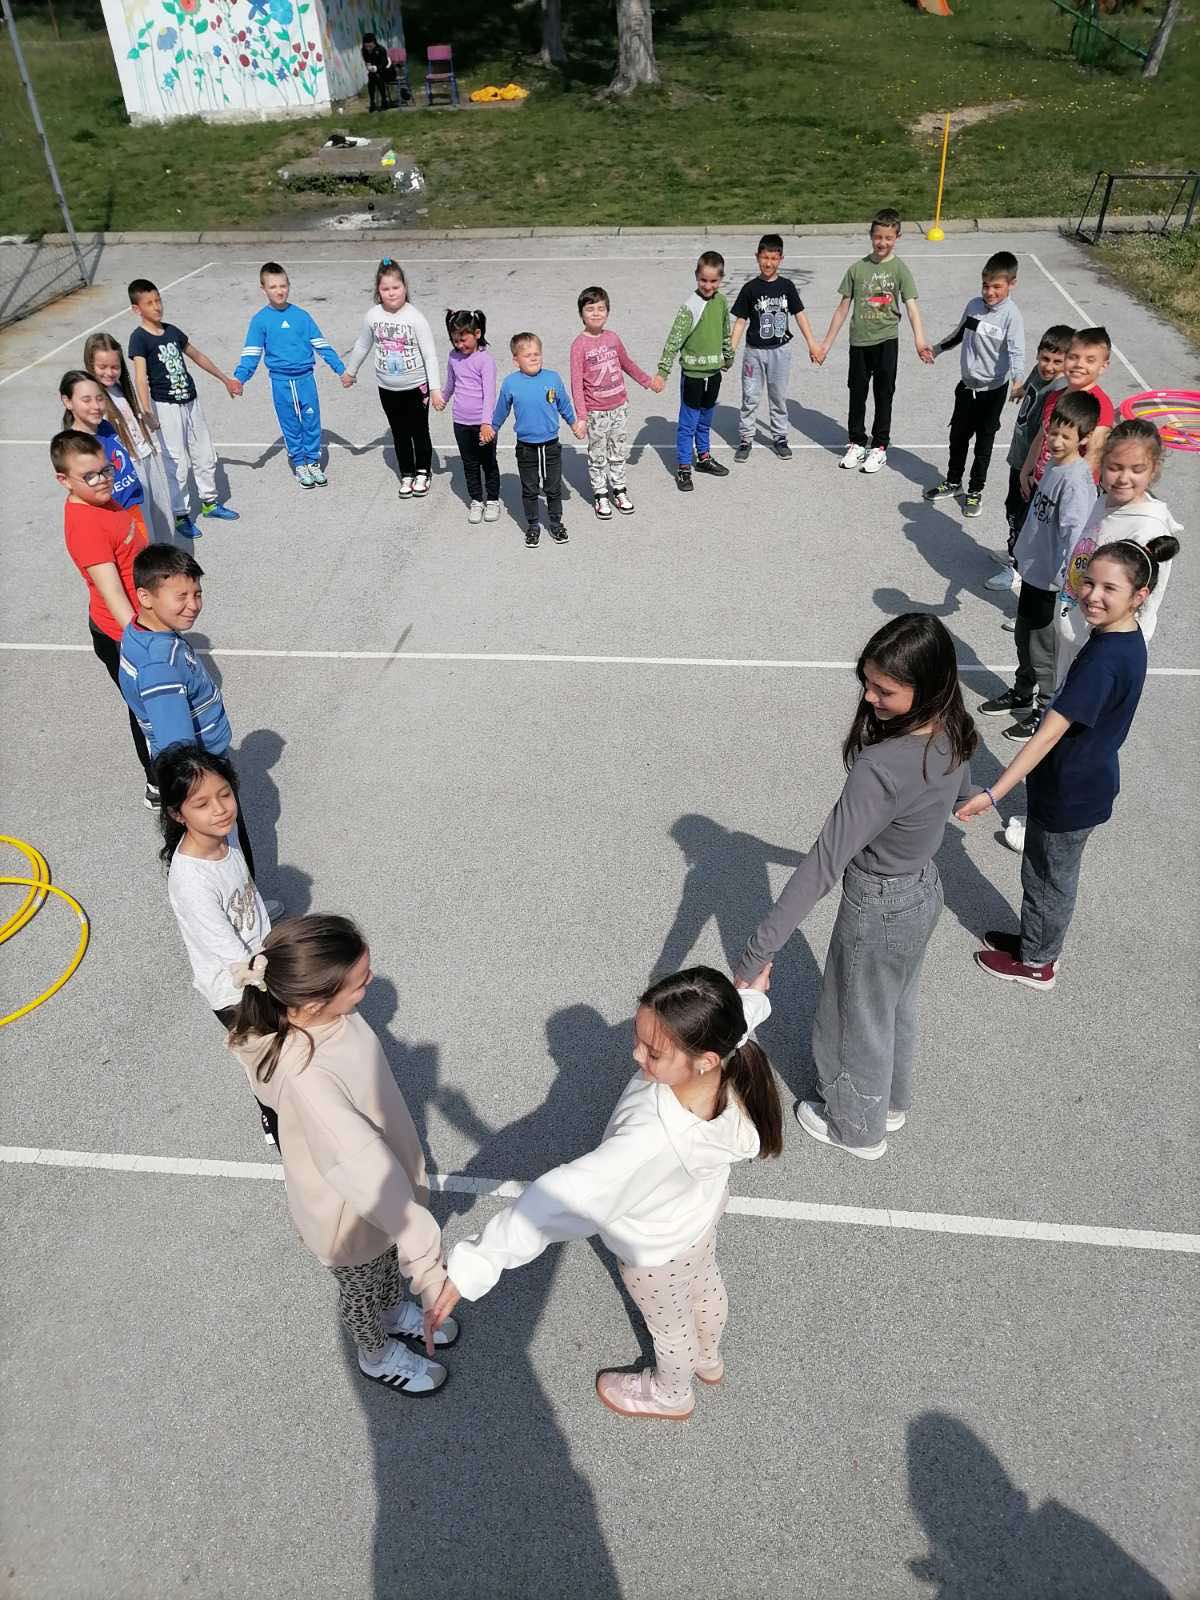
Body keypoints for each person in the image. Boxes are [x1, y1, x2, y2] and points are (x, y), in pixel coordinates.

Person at [427, 966, 780, 1421]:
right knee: (704, 1286)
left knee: (670, 1328)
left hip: (653, 1251)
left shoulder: (651, 1140)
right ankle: (709, 1359)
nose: (636, 1054)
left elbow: (560, 1197)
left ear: (704, 1060)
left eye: (653, 1052)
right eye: (638, 1038)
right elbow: (741, 1016)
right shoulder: (727, 1048)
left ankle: (672, 1394)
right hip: (699, 1220)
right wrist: (754, 995)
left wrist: (473, 1266)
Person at [734, 613, 978, 1160]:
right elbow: (963, 785)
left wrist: (757, 953)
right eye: (867, 682)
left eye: (884, 689)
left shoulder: (880, 766)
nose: (869, 697)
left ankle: (855, 1128)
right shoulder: (952, 724)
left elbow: (824, 862)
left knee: (851, 1018)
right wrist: (967, 796)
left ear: (926, 686)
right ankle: (889, 1102)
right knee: (894, 1004)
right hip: (923, 890)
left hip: (878, 906)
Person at [227, 915, 457, 1395]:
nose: (369, 985)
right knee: (361, 1292)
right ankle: (375, 1353)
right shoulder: (310, 1078)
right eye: (360, 982)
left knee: (384, 1270)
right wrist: (430, 1273)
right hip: (347, 1214)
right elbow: (367, 1173)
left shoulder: (328, 1019)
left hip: (373, 1196)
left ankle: (393, 1313)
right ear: (314, 1002)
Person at [956, 541, 1153, 991]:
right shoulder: (1122, 639)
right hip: (1082, 781)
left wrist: (993, 793)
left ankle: (1037, 963)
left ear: (1139, 596)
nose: (1092, 595)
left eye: (1110, 588)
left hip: (1070, 790)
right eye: (1089, 582)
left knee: (1047, 878)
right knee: (1045, 872)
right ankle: (1034, 941)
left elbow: (1046, 734)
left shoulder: (1103, 661)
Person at [1002, 419, 1182, 854]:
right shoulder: (1106, 502)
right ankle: (1043, 808)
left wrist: (1105, 654)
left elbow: (1145, 606)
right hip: (1078, 635)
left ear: (1154, 469)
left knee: (1071, 742)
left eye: (1136, 469)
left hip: (1097, 654)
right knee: (1057, 734)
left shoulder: (1148, 526)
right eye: (1115, 466)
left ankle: (1052, 823)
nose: (1123, 477)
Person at [155, 741, 279, 1146]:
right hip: (237, 989)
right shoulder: (191, 882)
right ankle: (275, 1122)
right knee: (270, 1066)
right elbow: (233, 955)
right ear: (178, 814)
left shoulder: (226, 836)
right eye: (202, 804)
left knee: (283, 1056)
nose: (221, 809)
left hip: (261, 962)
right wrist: (290, 977)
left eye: (225, 794)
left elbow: (247, 895)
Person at [118, 543, 259, 874]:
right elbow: (178, 749)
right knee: (229, 853)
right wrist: (208, 798)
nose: (193, 605)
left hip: (201, 770)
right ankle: (246, 900)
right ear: (145, 596)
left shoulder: (142, 632)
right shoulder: (160, 667)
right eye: (180, 596)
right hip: (202, 773)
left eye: (197, 594)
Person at [977, 391, 1100, 744]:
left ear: (1084, 439)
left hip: (1051, 582)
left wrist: (1069, 586)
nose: (1056, 441)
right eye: (1053, 433)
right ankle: (1021, 693)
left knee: (1043, 650)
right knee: (1023, 638)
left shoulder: (1076, 482)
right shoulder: (1056, 468)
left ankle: (1045, 709)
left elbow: (1076, 538)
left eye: (1065, 436)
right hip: (1034, 572)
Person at [52, 427, 154, 804]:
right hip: (124, 635)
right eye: (90, 476)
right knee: (146, 712)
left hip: (145, 624)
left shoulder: (102, 501)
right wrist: (146, 645)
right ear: (64, 480)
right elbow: (113, 594)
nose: (102, 480)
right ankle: (157, 784)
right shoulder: (85, 526)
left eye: (105, 470)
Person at [816, 208, 934, 475]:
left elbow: (912, 307)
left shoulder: (900, 269)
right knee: (857, 393)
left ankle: (879, 446)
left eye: (888, 238)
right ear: (871, 236)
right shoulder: (857, 269)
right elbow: (842, 309)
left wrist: (920, 341)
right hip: (859, 342)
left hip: (886, 341)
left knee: (884, 394)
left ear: (897, 237)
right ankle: (857, 442)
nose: (882, 242)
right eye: (878, 237)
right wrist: (825, 345)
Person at [127, 277, 240, 539]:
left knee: (205, 453)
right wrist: (146, 411)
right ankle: (180, 515)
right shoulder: (139, 338)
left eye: (158, 300)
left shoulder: (172, 331)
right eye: (149, 303)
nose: (157, 307)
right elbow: (140, 377)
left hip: (191, 401)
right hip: (165, 406)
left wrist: (225, 379)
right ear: (136, 309)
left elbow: (197, 356)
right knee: (176, 462)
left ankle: (210, 502)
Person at [923, 250, 1025, 518]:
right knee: (958, 437)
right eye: (985, 286)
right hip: (967, 388)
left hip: (993, 392)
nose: (990, 292)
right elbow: (959, 334)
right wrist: (936, 349)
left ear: (1012, 284)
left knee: (983, 444)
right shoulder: (974, 306)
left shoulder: (1011, 316)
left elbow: (1016, 351)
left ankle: (975, 490)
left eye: (997, 287)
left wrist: (1018, 380)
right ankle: (953, 482)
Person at [233, 261, 352, 489]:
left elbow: (322, 345)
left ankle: (313, 462)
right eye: (273, 287)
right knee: (290, 424)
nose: (279, 291)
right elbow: (251, 353)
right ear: (263, 289)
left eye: (283, 286)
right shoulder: (260, 320)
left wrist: (341, 370)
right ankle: (299, 463)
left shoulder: (302, 316)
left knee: (311, 421)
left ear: (289, 286)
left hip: (305, 379)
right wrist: (240, 378)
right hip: (281, 382)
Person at [346, 258, 442, 500]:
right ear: (378, 291)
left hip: (416, 386)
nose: (391, 293)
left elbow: (430, 355)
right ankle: (407, 473)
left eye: (396, 287)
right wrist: (351, 371)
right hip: (387, 387)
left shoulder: (415, 317)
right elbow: (362, 345)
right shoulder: (373, 316)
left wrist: (435, 389)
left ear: (405, 287)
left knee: (419, 431)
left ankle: (423, 471)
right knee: (399, 432)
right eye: (385, 288)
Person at [569, 285, 663, 520]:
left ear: (608, 312)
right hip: (596, 412)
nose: (596, 313)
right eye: (590, 309)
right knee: (597, 455)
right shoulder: (579, 345)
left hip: (619, 407)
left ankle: (619, 489)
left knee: (617, 452)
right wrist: (581, 417)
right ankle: (600, 493)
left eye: (601, 308)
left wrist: (648, 381)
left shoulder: (613, 338)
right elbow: (576, 384)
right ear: (581, 314)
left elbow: (627, 364)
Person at [487, 331, 585, 547]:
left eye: (537, 354)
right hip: (526, 447)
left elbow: (564, 404)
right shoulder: (511, 383)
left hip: (550, 445)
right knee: (530, 488)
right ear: (516, 360)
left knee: (553, 487)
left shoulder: (552, 378)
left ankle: (556, 523)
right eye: (527, 355)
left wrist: (574, 423)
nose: (533, 358)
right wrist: (492, 428)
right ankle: (532, 525)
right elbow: (501, 409)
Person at [729, 232, 819, 463]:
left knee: (778, 396)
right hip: (754, 352)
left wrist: (812, 344)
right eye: (764, 258)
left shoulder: (787, 286)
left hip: (780, 351)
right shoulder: (750, 289)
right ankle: (746, 438)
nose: (768, 263)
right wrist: (730, 350)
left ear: (781, 259)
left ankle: (780, 437)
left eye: (773, 258)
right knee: (750, 396)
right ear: (757, 257)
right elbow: (740, 322)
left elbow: (800, 315)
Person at [992, 324, 1073, 578]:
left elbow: (1047, 435)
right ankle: (1013, 551)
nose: (1049, 366)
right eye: (1045, 358)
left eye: (1057, 362)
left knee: (1023, 517)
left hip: (1031, 464)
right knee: (1011, 508)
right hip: (1018, 456)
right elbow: (1030, 385)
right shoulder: (1038, 374)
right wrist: (1020, 390)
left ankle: (1018, 568)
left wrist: (1031, 470)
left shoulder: (1059, 390)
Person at [83, 332, 175, 541]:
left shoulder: (120, 388)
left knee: (163, 516)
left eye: (115, 367)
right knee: (144, 527)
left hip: (145, 455)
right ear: (90, 364)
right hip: (128, 466)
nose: (109, 373)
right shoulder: (95, 400)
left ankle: (167, 554)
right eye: (102, 367)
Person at [657, 251, 733, 494]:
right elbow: (673, 341)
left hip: (714, 374)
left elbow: (725, 332)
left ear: (721, 279)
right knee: (688, 424)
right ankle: (683, 467)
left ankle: (703, 457)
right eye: (703, 280)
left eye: (713, 281)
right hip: (693, 376)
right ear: (696, 277)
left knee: (706, 420)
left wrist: (728, 356)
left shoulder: (721, 302)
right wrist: (663, 371)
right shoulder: (690, 307)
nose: (708, 286)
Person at [1018, 326, 1114, 498]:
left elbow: (1094, 454)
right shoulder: (1054, 396)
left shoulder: (1101, 406)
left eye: (1090, 360)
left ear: (1103, 366)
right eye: (1073, 357)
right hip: (1041, 485)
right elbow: (1042, 436)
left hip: (1068, 492)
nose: (1079, 364)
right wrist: (1026, 470)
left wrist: (1067, 489)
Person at [58, 369, 147, 528]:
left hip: (132, 509)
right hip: (111, 518)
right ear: (68, 402)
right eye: (86, 400)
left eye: (100, 398)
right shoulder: (74, 446)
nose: (96, 406)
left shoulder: (106, 426)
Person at [436, 308, 500, 524]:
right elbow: (451, 383)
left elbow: (489, 394)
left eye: (463, 340)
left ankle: (492, 499)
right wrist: (442, 398)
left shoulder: (485, 360)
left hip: (483, 424)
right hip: (460, 422)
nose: (459, 345)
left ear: (477, 333)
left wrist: (486, 423)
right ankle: (476, 500)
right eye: (455, 341)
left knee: (488, 463)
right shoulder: (453, 357)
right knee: (469, 463)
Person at [360, 32, 396, 112]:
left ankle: (384, 101)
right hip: (376, 74)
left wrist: (376, 68)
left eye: (370, 46)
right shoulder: (364, 51)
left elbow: (384, 63)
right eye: (366, 46)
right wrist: (369, 67)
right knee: (371, 77)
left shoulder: (381, 49)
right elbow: (367, 62)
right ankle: (372, 101)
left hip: (388, 72)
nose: (368, 48)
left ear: (374, 43)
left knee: (377, 77)